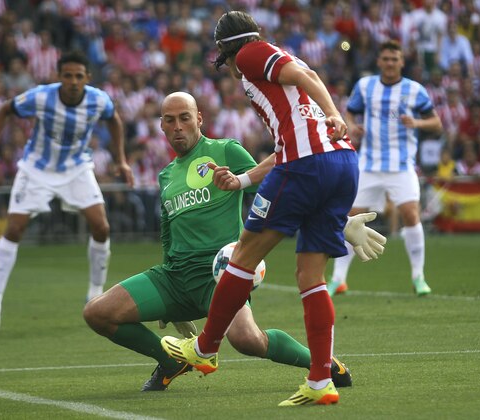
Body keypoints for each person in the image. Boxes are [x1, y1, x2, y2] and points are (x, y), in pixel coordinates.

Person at [160, 11, 385, 407]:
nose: (228, 69)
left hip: (306, 163)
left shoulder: (249, 55)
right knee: (310, 276)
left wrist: (335, 112)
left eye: (223, 60)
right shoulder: (280, 83)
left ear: (226, 50)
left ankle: (206, 347)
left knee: (243, 253)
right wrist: (242, 181)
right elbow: (283, 148)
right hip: (340, 163)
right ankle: (320, 381)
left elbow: (309, 82)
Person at [83, 91, 376, 392]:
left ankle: (325, 363)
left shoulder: (226, 151)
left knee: (247, 340)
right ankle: (172, 363)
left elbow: (283, 183)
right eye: (170, 120)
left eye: (185, 118)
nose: (178, 126)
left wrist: (337, 221)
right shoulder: (167, 174)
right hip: (173, 277)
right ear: (161, 126)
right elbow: (168, 232)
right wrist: (167, 309)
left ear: (199, 119)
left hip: (220, 274)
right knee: (97, 313)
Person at [0, 50, 133, 331]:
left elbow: (115, 120)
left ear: (88, 77)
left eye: (78, 76)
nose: (73, 81)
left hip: (76, 169)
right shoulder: (41, 96)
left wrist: (121, 159)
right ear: (58, 77)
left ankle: (95, 294)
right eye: (67, 76)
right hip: (37, 169)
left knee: (101, 227)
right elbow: (4, 109)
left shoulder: (98, 99)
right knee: (13, 230)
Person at [328, 40, 443, 298]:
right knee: (350, 216)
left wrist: (417, 122)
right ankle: (339, 278)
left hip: (401, 164)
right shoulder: (365, 86)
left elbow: (437, 123)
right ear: (379, 61)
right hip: (369, 164)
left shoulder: (415, 90)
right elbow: (349, 113)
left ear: (402, 62)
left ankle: (418, 277)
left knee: (411, 214)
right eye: (386, 59)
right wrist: (352, 126)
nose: (390, 63)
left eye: (395, 59)